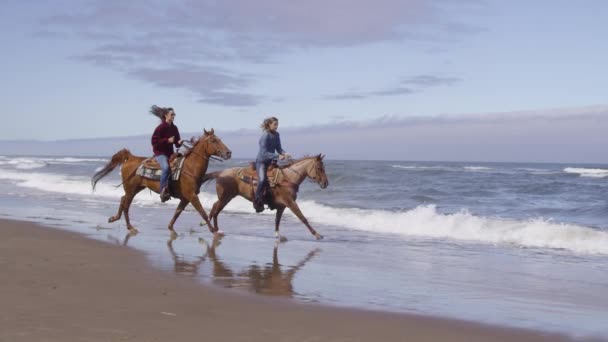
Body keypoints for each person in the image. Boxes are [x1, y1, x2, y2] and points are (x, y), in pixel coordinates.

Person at [254, 116, 290, 212]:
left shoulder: (277, 135)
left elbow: (279, 148)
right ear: (269, 125)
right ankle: (257, 201)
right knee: (262, 180)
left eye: (277, 124)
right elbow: (264, 153)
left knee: (280, 179)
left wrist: (285, 153)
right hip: (261, 162)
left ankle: (272, 200)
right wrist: (277, 156)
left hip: (271, 162)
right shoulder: (265, 136)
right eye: (275, 124)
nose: (276, 126)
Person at [150, 105, 183, 202]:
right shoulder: (160, 128)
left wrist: (179, 143)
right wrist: (167, 140)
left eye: (174, 114)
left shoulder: (174, 128)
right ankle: (162, 191)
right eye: (172, 114)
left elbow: (176, 144)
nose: (173, 116)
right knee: (166, 168)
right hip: (160, 153)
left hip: (170, 153)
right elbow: (154, 142)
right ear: (166, 115)